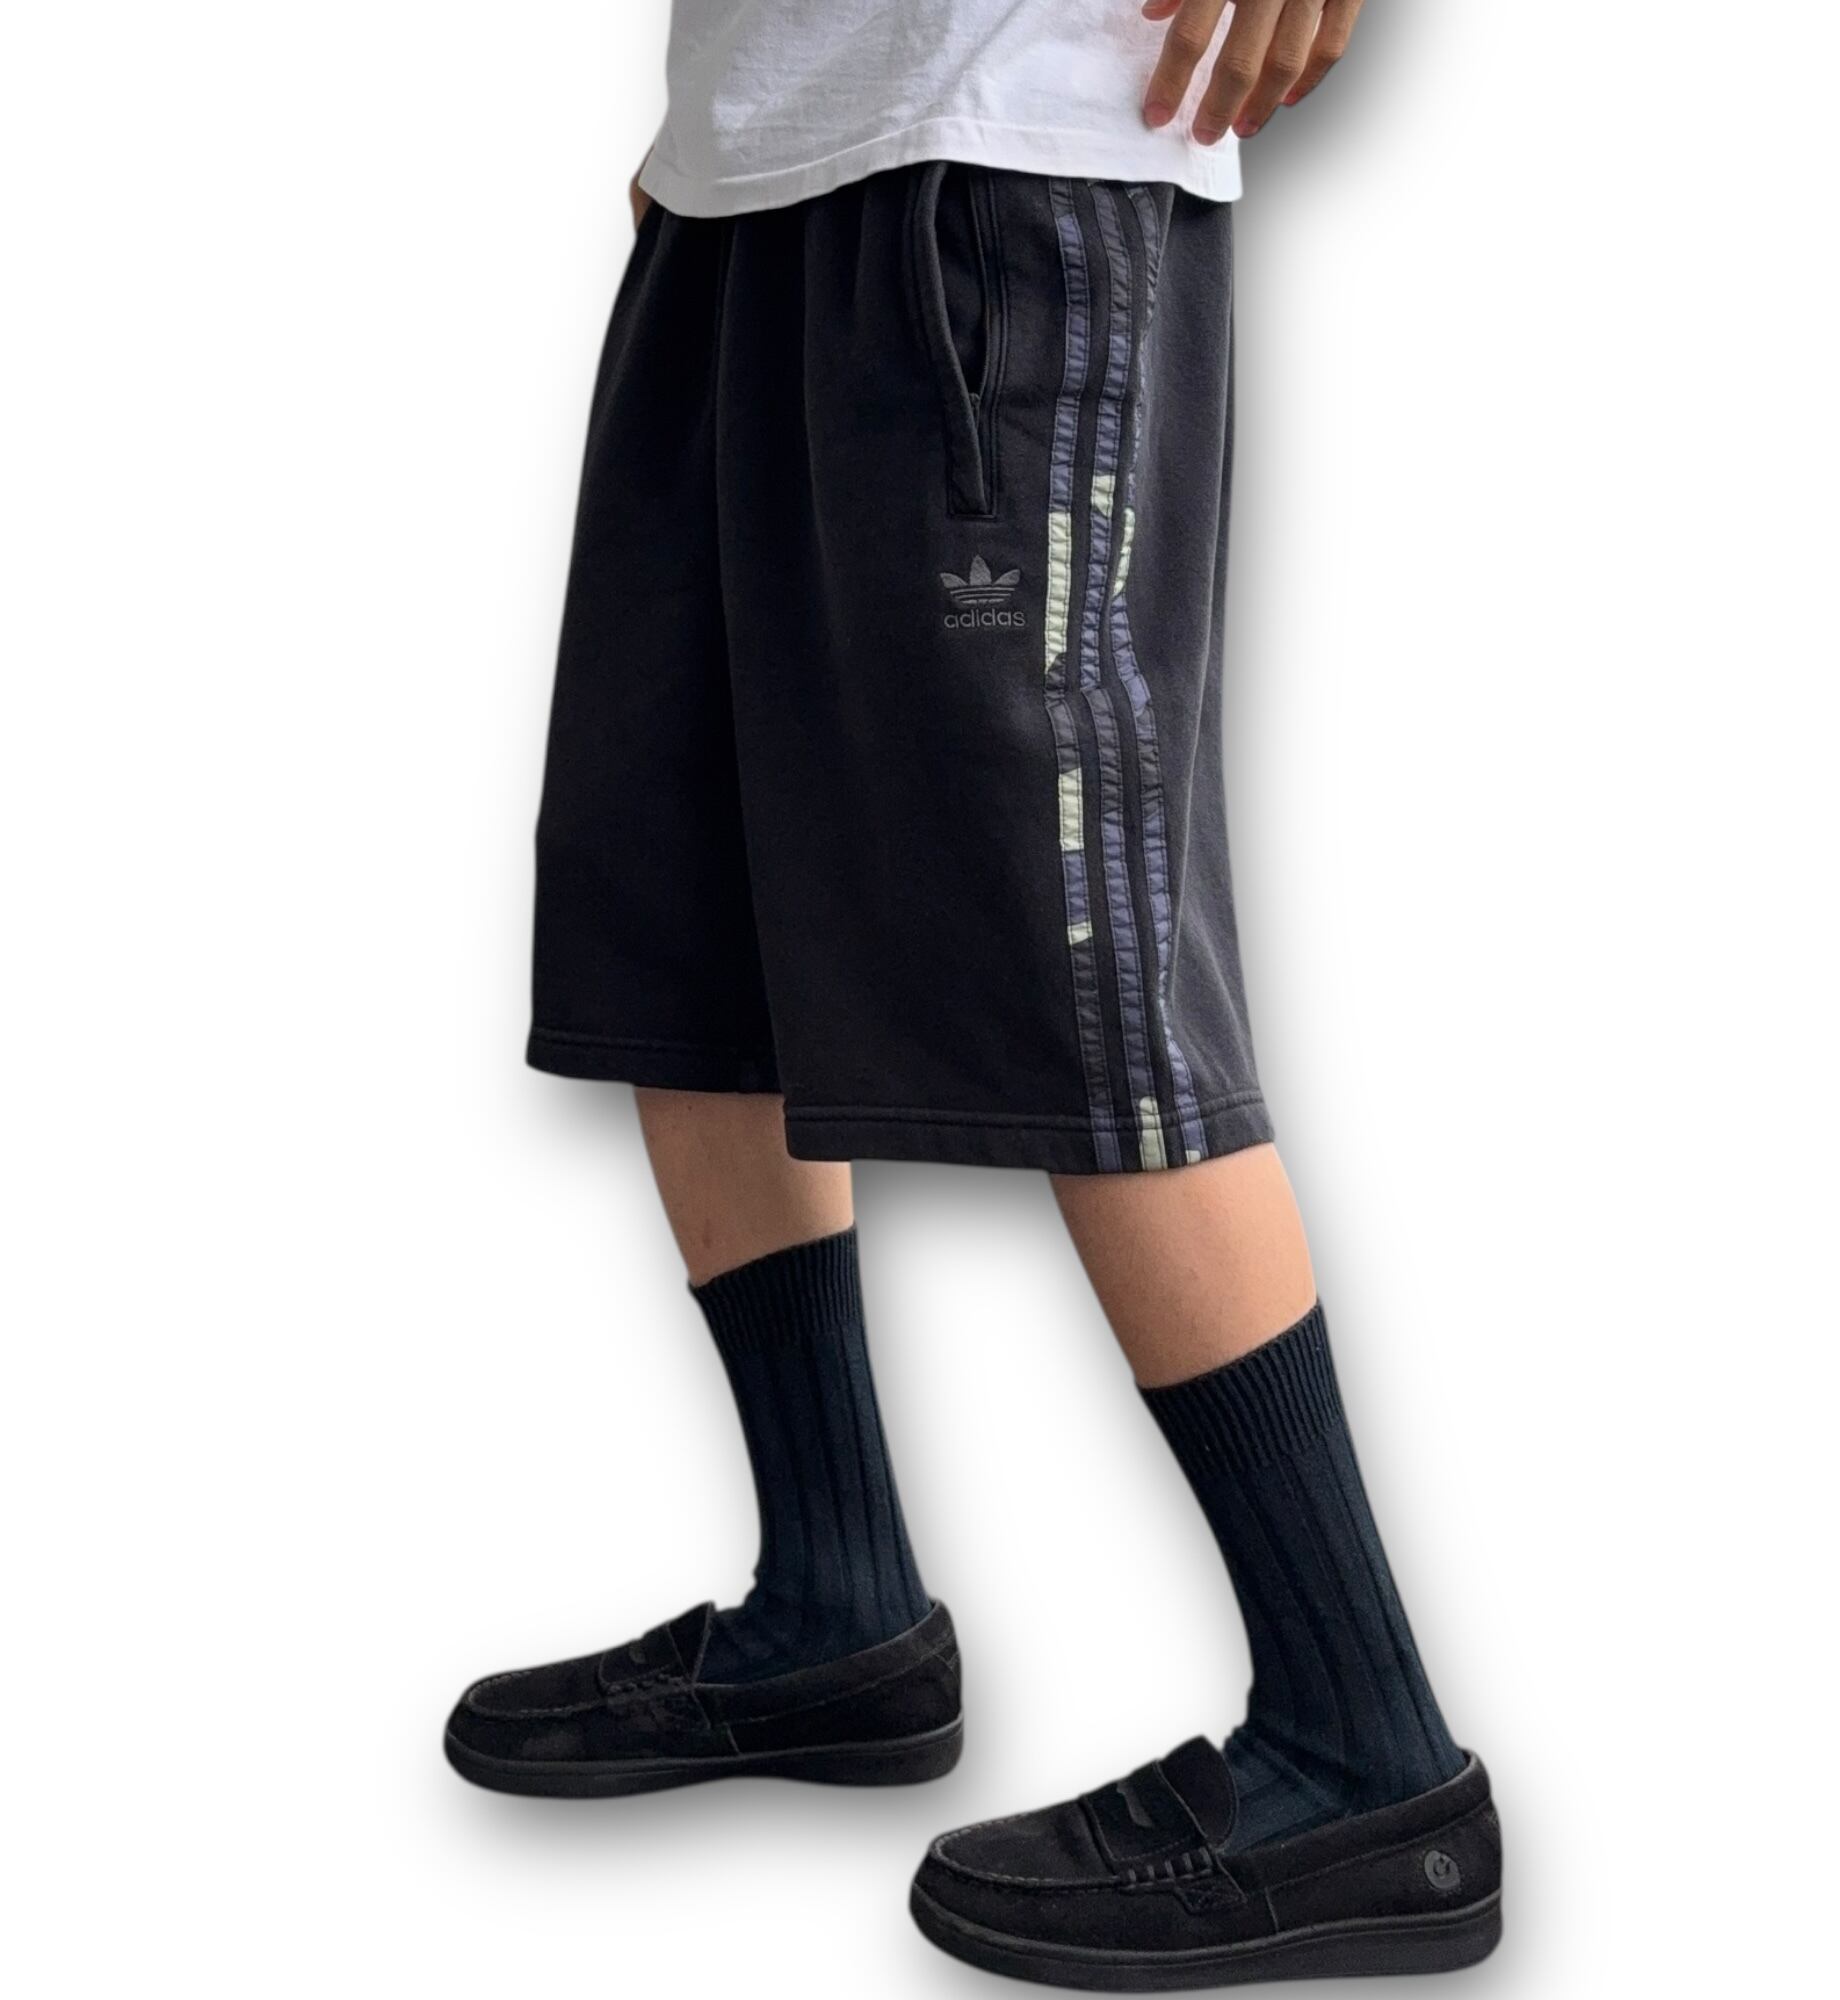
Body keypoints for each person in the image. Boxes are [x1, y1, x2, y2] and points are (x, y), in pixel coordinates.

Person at [444, 0, 1502, 1982]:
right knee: (686, 910)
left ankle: (1367, 1744)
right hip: (750, 163)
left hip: (1006, 146)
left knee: (1077, 967)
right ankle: (834, 1603)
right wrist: (716, 151)